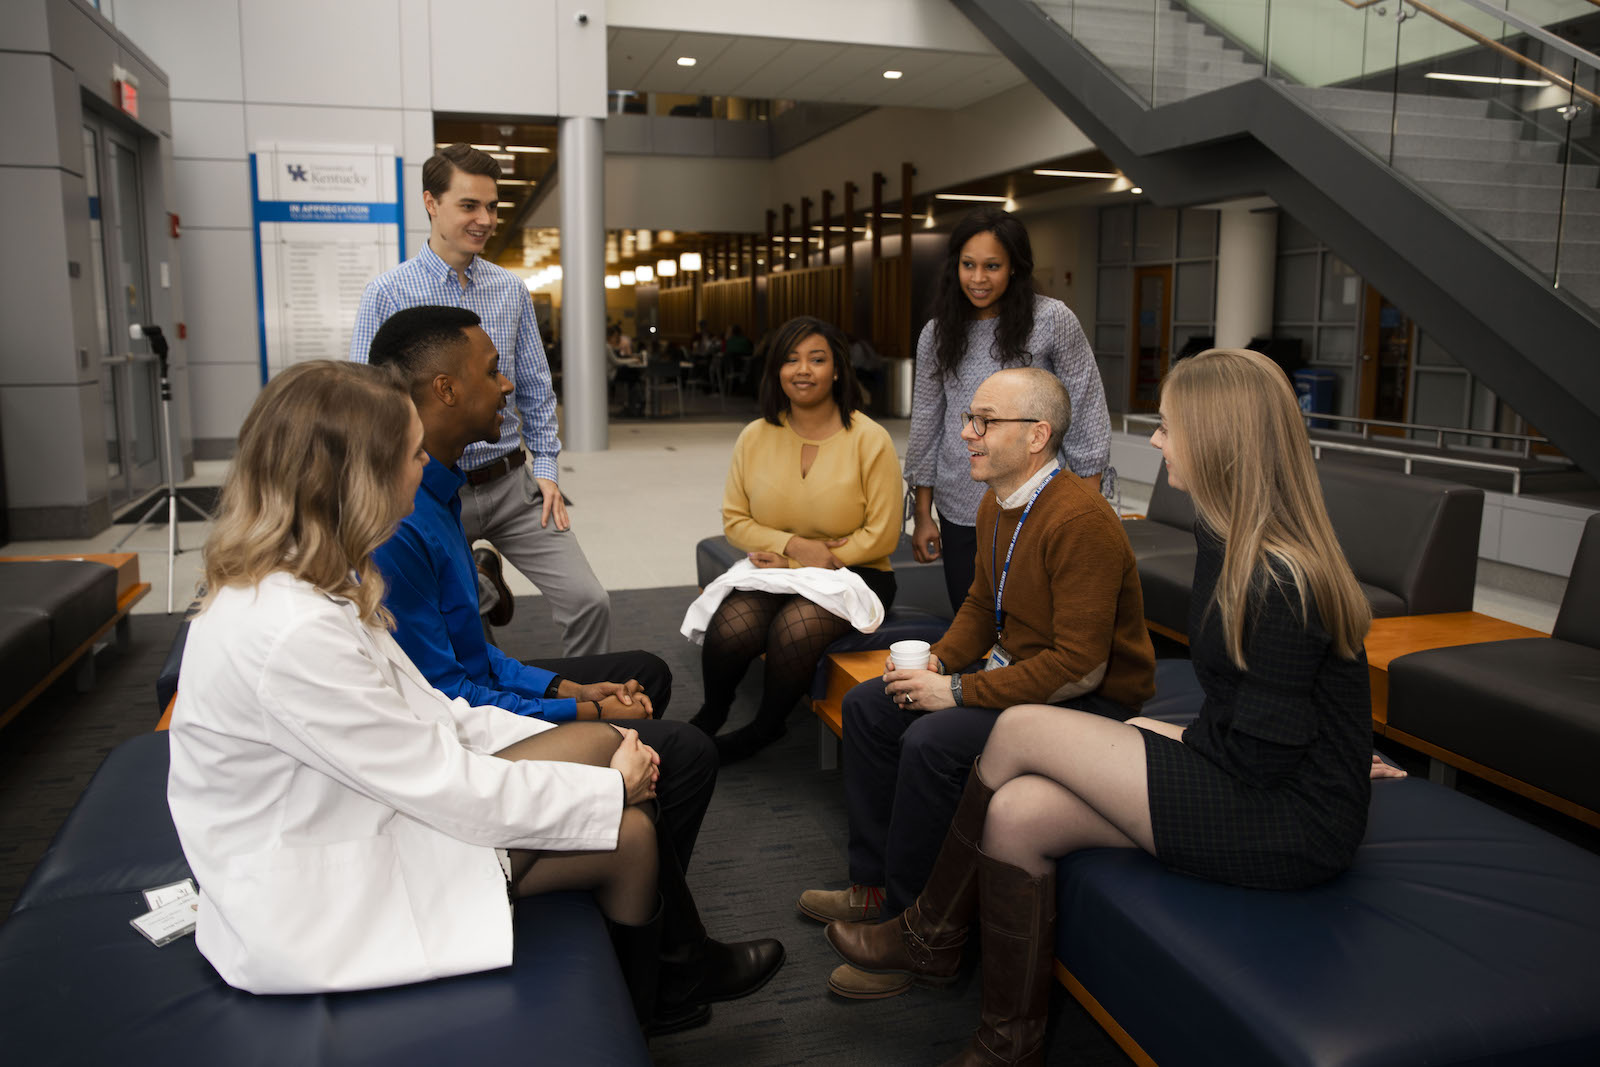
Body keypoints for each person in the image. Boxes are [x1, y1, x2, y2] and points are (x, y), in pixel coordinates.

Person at [825, 349, 1393, 1066]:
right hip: (1253, 776)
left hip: (1288, 822)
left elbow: (1264, 757)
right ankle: (1008, 1039)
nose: (1155, 440)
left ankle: (929, 935)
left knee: (1024, 730)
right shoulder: (1227, 539)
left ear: (1218, 439)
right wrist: (1183, 732)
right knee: (1016, 811)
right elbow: (1262, 709)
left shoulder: (1279, 577)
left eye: (1167, 425)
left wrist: (1176, 737)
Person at [167, 361, 663, 1007]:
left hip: (359, 808)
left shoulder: (306, 580)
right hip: (318, 889)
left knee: (612, 768)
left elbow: (439, 713)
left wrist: (591, 732)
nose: (425, 465)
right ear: (358, 480)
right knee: (628, 827)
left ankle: (655, 999)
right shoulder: (291, 629)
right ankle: (651, 1003)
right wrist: (608, 784)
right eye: (413, 452)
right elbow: (439, 781)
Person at [365, 306, 784, 1032]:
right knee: (679, 749)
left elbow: (474, 656)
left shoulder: (437, 492)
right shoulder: (401, 520)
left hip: (468, 700)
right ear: (444, 388)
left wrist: (566, 689)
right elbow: (451, 695)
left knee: (645, 674)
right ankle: (672, 962)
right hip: (453, 729)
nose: (507, 387)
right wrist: (587, 715)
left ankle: (644, 909)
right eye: (491, 371)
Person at [798, 367, 1155, 999]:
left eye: (984, 422)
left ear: (1037, 435)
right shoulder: (999, 502)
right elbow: (978, 608)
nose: (966, 434)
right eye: (970, 420)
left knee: (933, 741)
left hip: (1090, 703)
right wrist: (936, 663)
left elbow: (1080, 667)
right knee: (871, 706)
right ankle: (873, 887)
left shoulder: (1080, 521)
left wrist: (957, 693)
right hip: (1019, 679)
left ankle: (917, 934)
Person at [350, 143, 611, 658]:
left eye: (492, 207)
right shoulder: (388, 293)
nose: (485, 219)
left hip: (512, 483)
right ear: (431, 202)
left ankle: (587, 706)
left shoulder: (510, 291)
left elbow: (535, 387)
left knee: (591, 601)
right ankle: (481, 588)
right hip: (427, 488)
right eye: (469, 205)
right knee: (448, 621)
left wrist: (549, 470)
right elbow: (365, 404)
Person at [690, 316, 903, 765]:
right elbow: (736, 521)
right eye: (791, 359)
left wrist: (799, 561)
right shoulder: (755, 435)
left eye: (817, 359)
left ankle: (767, 727)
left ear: (838, 369)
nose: (802, 370)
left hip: (855, 572)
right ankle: (711, 713)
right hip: (780, 566)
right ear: (776, 370)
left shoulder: (871, 439)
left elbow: (882, 534)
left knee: (795, 628)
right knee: (734, 626)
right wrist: (793, 546)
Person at [906, 207, 1113, 615]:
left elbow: (1087, 408)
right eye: (968, 265)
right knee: (972, 616)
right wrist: (922, 513)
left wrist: (1090, 508)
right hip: (960, 501)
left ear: (1015, 268)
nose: (978, 278)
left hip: (1041, 499)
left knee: (1038, 619)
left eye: (992, 266)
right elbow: (927, 420)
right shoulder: (938, 331)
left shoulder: (1052, 320)